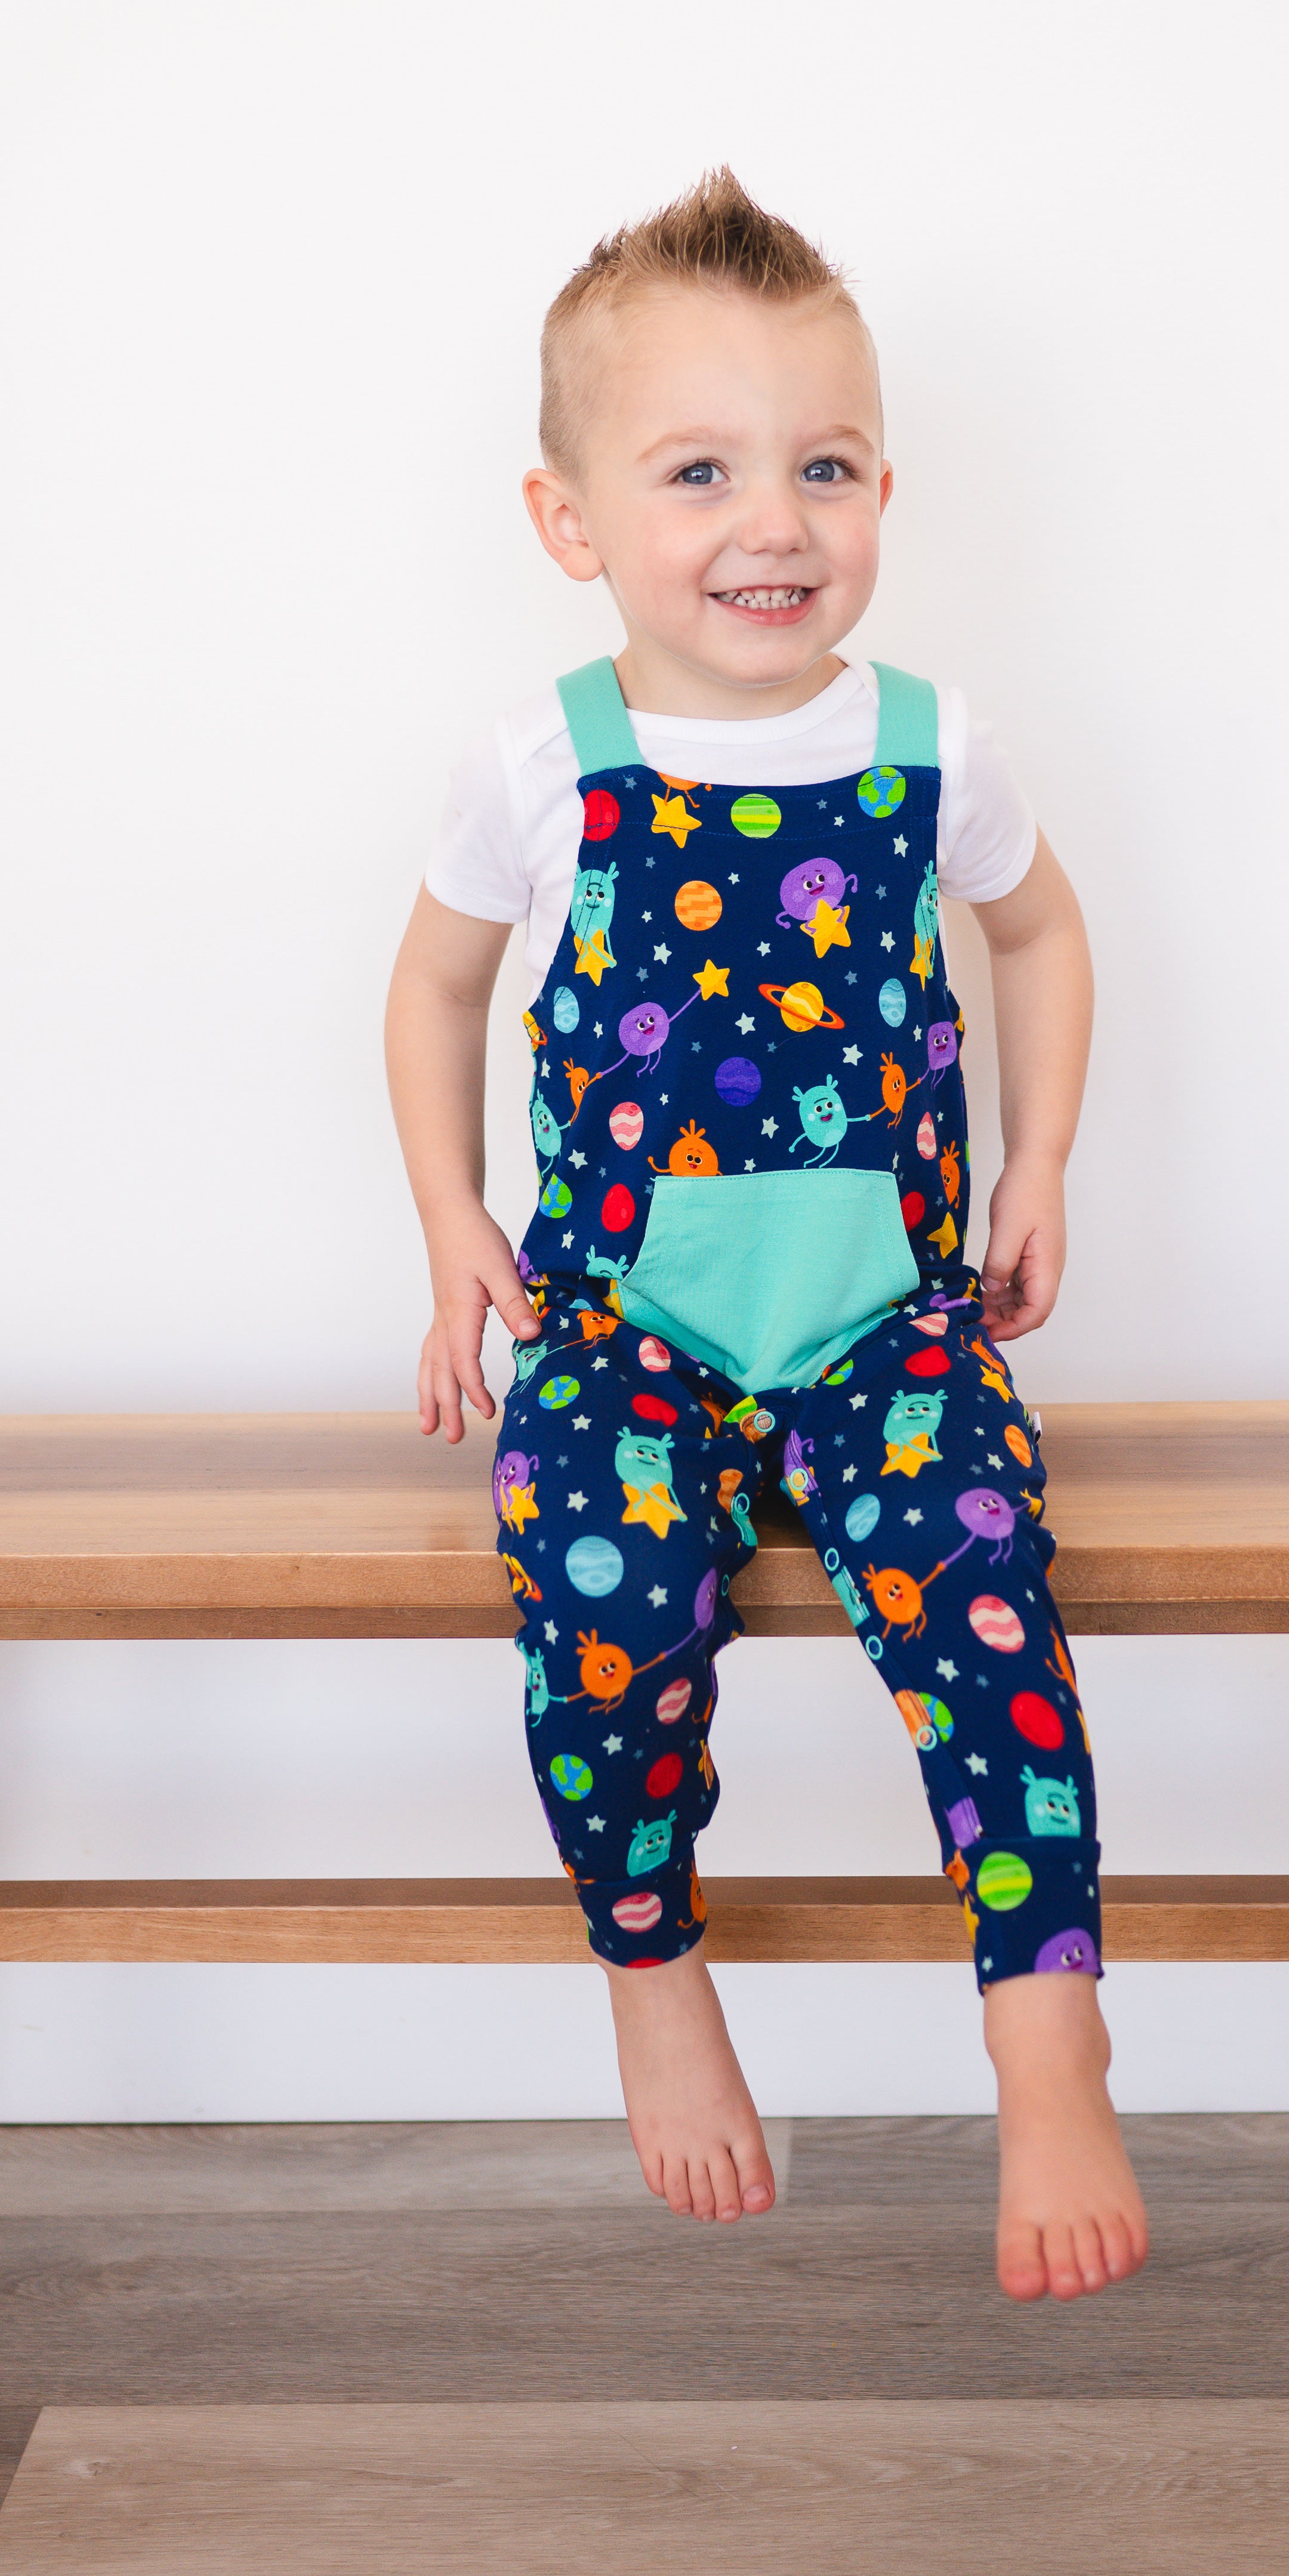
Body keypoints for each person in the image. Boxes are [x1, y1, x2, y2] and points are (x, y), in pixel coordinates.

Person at [384, 171, 1148, 2304]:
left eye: (821, 468)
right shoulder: (551, 757)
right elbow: (436, 984)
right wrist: (453, 1216)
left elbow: (1045, 929)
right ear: (572, 520)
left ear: (884, 486)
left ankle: (1052, 2041)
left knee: (991, 1606)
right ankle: (651, 1970)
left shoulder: (928, 743)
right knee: (601, 1609)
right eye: (699, 472)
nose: (772, 525)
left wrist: (1044, 1154)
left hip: (889, 1320)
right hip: (629, 1327)